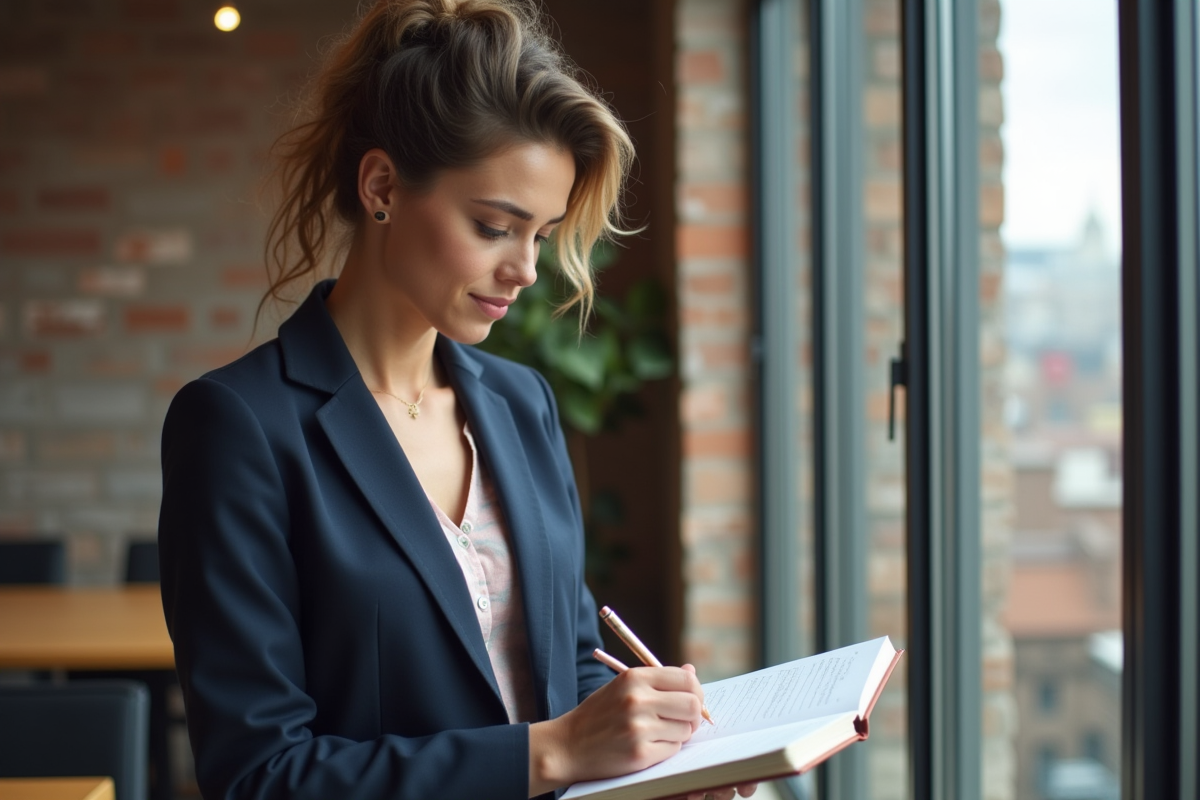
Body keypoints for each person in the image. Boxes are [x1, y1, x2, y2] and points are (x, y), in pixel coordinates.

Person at [157, 1, 757, 798]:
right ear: (382, 186)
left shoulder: (520, 403)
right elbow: (258, 776)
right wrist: (551, 753)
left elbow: (569, 670)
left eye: (541, 235)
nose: (527, 270)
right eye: (493, 226)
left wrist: (662, 761)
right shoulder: (240, 427)